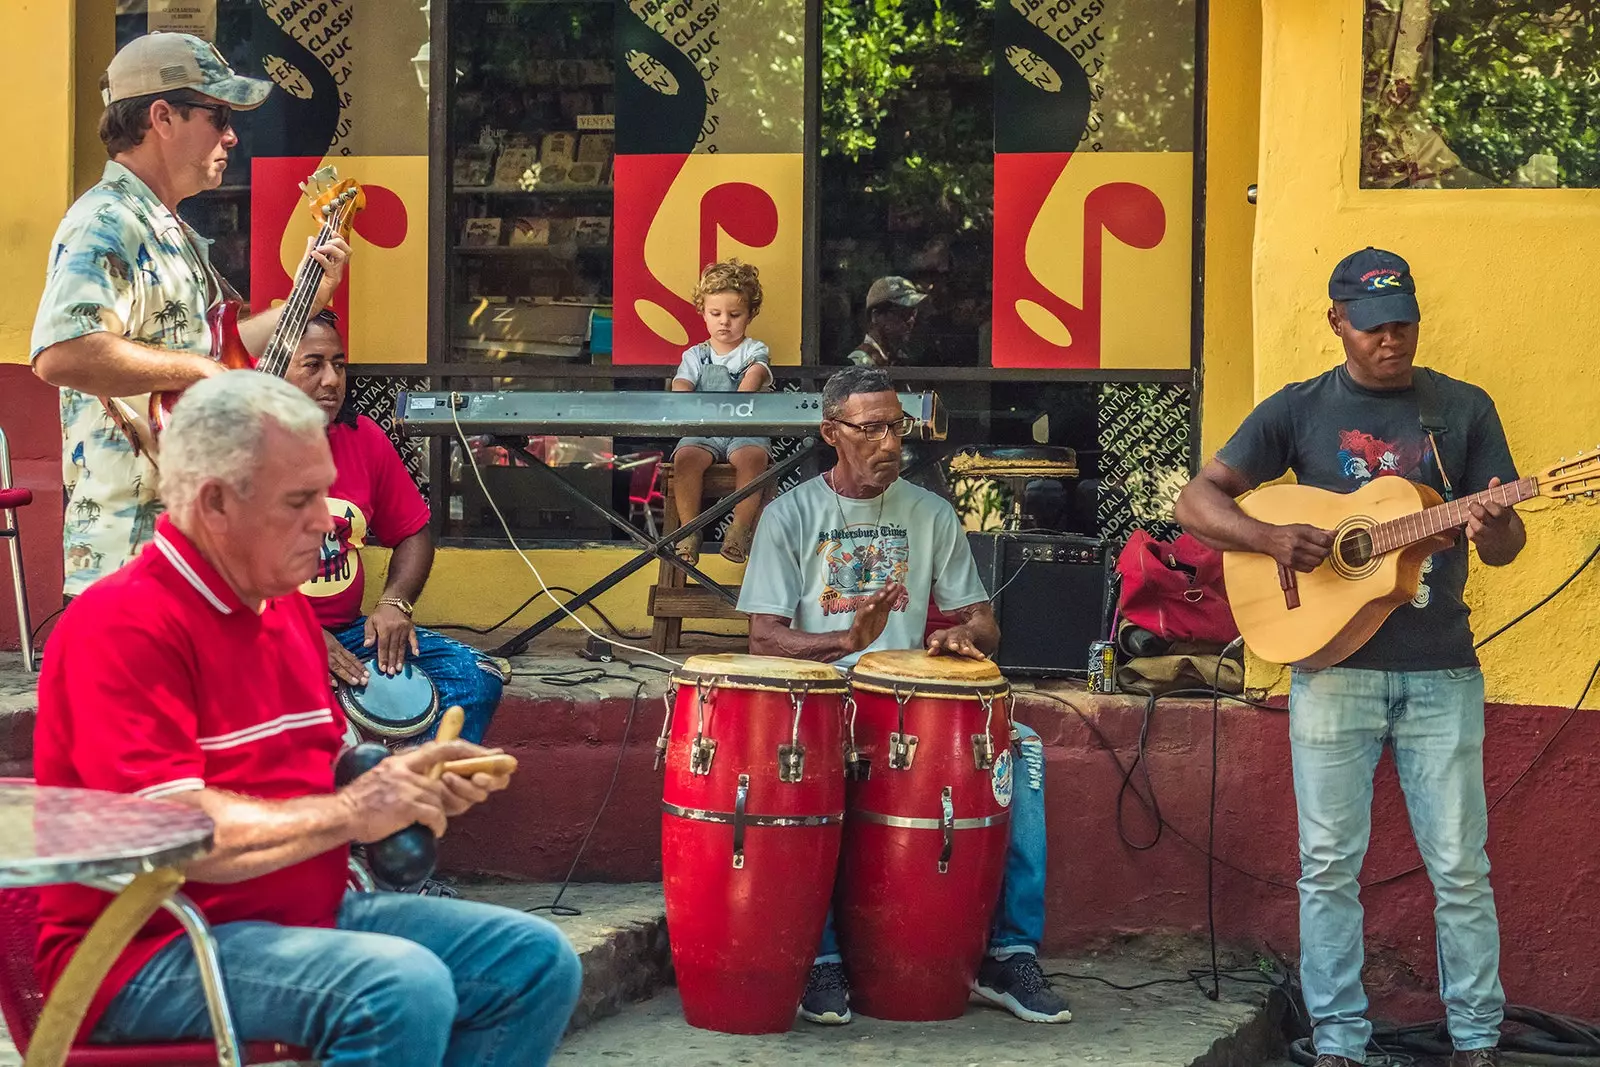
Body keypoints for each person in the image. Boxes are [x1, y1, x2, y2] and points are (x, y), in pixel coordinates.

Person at [32, 372, 582, 1066]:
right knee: (399, 988)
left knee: (535, 962)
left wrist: (406, 781)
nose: (329, 520)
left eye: (325, 492)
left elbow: (328, 775)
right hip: (145, 950)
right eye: (300, 500)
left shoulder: (282, 606)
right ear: (215, 504)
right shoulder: (122, 624)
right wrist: (354, 812)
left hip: (295, 916)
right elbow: (173, 836)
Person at [1174, 248, 1523, 1067]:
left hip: (1442, 667)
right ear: (1338, 322)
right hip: (1330, 669)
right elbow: (1196, 499)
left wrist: (1495, 524)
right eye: (1371, 326)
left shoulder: (1461, 410)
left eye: (1401, 322)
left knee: (1461, 867)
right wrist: (1267, 537)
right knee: (1328, 865)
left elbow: (1506, 546)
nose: (1389, 339)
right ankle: (1339, 1042)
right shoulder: (1297, 411)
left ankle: (1477, 1041)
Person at [737, 366, 1072, 1026]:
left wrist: (965, 636)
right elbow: (763, 639)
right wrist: (839, 642)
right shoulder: (790, 516)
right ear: (831, 432)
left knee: (1021, 752)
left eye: (898, 426)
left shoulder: (931, 513)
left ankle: (1008, 950)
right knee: (808, 774)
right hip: (825, 704)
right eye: (871, 429)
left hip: (911, 710)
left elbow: (983, 617)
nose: (890, 442)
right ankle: (823, 956)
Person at [29, 31, 350, 597]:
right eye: (217, 114)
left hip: (186, 548)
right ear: (162, 116)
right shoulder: (107, 221)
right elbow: (63, 353)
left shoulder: (164, 227)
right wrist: (202, 374)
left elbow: (212, 349)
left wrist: (304, 302)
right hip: (130, 556)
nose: (231, 135)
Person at [285, 310, 505, 746]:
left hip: (349, 634)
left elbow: (413, 532)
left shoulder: (363, 438)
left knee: (476, 678)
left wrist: (395, 603)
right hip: (263, 635)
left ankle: (407, 804)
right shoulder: (241, 448)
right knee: (326, 733)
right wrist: (300, 635)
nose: (331, 380)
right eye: (313, 365)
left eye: (340, 364)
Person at [669, 259, 773, 565]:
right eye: (715, 314)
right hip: (705, 428)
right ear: (702, 312)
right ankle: (690, 530)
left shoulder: (755, 350)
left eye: (734, 314)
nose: (724, 321)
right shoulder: (695, 355)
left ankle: (739, 529)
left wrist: (742, 396)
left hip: (744, 428)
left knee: (753, 459)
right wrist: (682, 395)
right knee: (686, 459)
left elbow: (755, 375)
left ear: (751, 314)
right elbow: (682, 382)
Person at [846, 276, 927, 369]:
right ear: (876, 315)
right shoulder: (859, 363)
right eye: (903, 313)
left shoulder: (897, 359)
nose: (911, 320)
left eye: (913, 312)